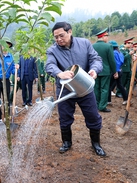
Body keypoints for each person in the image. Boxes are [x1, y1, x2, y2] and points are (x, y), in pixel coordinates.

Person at [45, 22, 106, 157]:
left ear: (70, 32)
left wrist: (94, 70)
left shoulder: (84, 44)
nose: (59, 39)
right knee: (65, 118)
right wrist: (59, 73)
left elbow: (96, 59)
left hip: (84, 88)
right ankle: (67, 142)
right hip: (65, 90)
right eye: (56, 37)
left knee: (93, 116)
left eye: (61, 35)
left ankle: (96, 143)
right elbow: (49, 65)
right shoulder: (52, 50)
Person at [0, 38, 18, 121]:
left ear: (9, 46)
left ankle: (7, 117)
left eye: (6, 44)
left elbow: (12, 70)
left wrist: (16, 69)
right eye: (2, 44)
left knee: (7, 99)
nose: (4, 46)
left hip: (6, 80)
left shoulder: (11, 57)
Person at [92, 28, 117, 112]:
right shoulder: (108, 46)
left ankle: (96, 105)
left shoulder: (93, 46)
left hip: (95, 71)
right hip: (105, 71)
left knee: (96, 88)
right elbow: (112, 60)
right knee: (105, 89)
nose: (107, 38)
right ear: (103, 37)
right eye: (107, 36)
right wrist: (114, 71)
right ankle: (102, 106)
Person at [107, 40, 128, 106]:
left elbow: (115, 63)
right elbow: (121, 62)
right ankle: (125, 99)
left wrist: (115, 72)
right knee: (120, 85)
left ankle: (108, 101)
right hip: (120, 70)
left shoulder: (113, 53)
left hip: (115, 71)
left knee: (109, 87)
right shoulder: (120, 53)